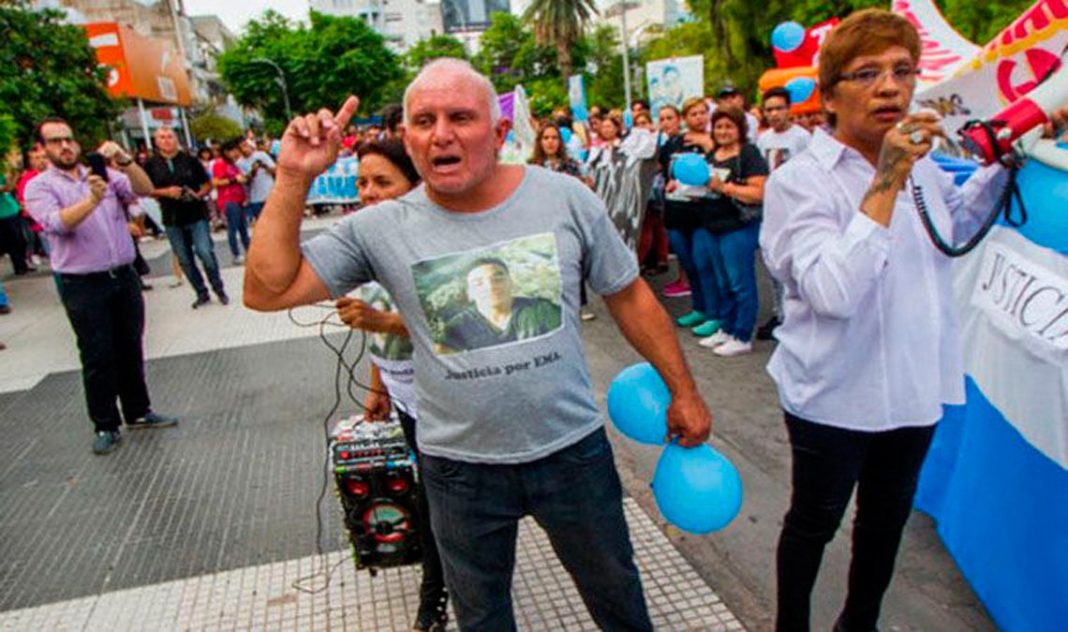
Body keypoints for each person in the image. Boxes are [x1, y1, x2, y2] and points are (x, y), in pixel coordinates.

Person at [244, 58, 712, 631]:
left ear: (496, 133)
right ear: (408, 140)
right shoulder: (379, 227)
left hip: (571, 453)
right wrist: (293, 176)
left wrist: (683, 391)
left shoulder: (564, 198)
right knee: (482, 615)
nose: (441, 133)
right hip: (459, 471)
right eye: (424, 120)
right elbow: (266, 291)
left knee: (616, 595)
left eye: (460, 117)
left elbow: (630, 296)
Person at [759, 10, 1068, 631]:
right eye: (867, 73)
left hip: (913, 387)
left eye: (902, 72)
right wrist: (888, 178)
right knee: (814, 521)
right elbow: (832, 291)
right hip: (834, 394)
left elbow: (953, 227)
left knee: (885, 522)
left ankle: (859, 622)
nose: (890, 88)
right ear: (829, 92)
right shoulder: (799, 182)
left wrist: (1006, 163)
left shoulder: (922, 163)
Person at [333, 139, 449, 632]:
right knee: (430, 495)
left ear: (414, 186)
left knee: (438, 502)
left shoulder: (434, 243)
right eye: (362, 182)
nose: (368, 192)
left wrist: (384, 321)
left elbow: (453, 323)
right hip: (403, 398)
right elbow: (375, 325)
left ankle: (436, 593)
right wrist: (378, 385)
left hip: (444, 400)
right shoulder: (368, 242)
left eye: (383, 182)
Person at [24, 117, 179, 455]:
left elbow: (142, 187)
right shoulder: (40, 187)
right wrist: (92, 200)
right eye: (55, 141)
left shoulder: (104, 175)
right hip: (82, 281)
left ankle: (138, 410)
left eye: (68, 139)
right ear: (43, 148)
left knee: (130, 345)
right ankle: (105, 423)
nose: (65, 146)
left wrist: (123, 160)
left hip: (121, 275)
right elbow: (56, 224)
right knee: (97, 354)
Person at [692, 107, 768, 356]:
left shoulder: (749, 153)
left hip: (738, 228)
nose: (723, 132)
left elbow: (760, 193)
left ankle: (742, 334)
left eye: (729, 126)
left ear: (740, 129)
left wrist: (725, 187)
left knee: (740, 284)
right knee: (723, 282)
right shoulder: (714, 153)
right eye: (719, 127)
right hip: (712, 226)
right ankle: (726, 328)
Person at [144, 126, 228, 308]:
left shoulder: (190, 160)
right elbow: (145, 190)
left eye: (170, 137)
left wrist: (198, 194)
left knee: (205, 252)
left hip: (195, 213)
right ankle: (201, 292)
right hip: (172, 217)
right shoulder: (151, 165)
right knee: (184, 259)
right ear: (156, 141)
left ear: (176, 139)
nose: (166, 140)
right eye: (162, 137)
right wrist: (165, 192)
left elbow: (207, 183)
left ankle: (218, 287)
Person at [660, 97, 721, 337]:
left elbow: (723, 166)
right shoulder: (673, 143)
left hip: (702, 214)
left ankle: (715, 313)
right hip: (676, 211)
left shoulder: (714, 140)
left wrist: (707, 144)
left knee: (703, 263)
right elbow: (665, 171)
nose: (698, 118)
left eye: (702, 113)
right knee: (688, 264)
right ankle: (699, 308)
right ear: (685, 118)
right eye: (693, 114)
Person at [755, 86, 812, 341]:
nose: (774, 114)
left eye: (779, 108)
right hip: (771, 208)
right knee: (774, 262)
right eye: (769, 110)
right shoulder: (764, 139)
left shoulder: (802, 138)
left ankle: (800, 315)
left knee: (797, 263)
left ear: (789, 109)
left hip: (797, 208)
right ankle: (779, 313)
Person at [213, 139, 251, 265]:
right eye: (234, 151)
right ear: (226, 152)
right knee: (233, 228)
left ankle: (249, 252)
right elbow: (216, 182)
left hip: (239, 200)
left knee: (243, 228)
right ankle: (236, 254)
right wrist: (233, 180)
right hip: (228, 200)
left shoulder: (234, 165)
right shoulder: (220, 164)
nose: (236, 153)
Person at [236, 140, 277, 223]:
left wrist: (264, 166)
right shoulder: (239, 163)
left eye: (245, 145)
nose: (245, 149)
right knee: (262, 223)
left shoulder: (261, 155)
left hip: (269, 194)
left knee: (275, 222)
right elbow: (245, 181)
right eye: (241, 147)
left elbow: (275, 170)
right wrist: (252, 171)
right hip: (255, 198)